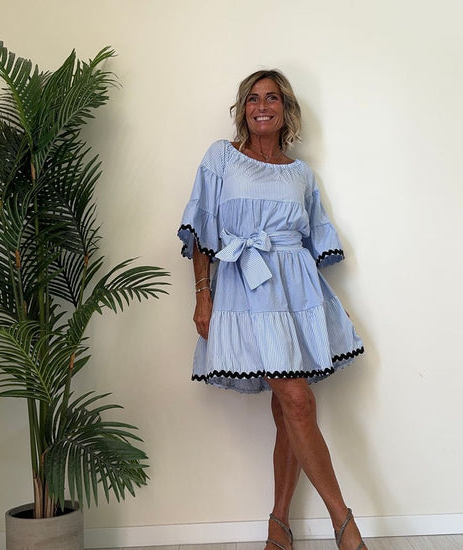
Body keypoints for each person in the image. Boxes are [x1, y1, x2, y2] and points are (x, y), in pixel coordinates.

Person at [178, 69, 366, 550]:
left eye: (272, 98)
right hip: (244, 287)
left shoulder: (301, 174)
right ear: (243, 109)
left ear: (286, 110)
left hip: (295, 293)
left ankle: (279, 526)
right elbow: (201, 227)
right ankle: (345, 527)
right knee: (299, 401)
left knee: (287, 410)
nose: (262, 106)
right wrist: (203, 293)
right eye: (253, 99)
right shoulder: (222, 157)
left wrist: (323, 307)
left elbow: (312, 242)